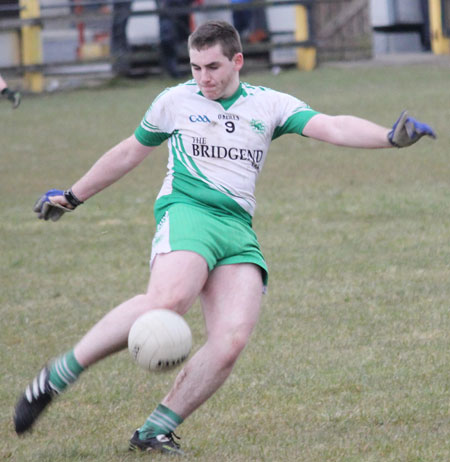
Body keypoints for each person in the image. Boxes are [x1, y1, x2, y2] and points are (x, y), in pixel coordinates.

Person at [13, 20, 436, 456]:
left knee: (231, 339)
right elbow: (127, 153)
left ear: (237, 61)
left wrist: (389, 138)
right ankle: (58, 376)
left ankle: (156, 429)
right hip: (188, 211)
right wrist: (72, 196)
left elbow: (331, 126)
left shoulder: (268, 103)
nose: (204, 78)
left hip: (236, 228)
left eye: (212, 66)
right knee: (168, 299)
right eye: (195, 67)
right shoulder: (175, 101)